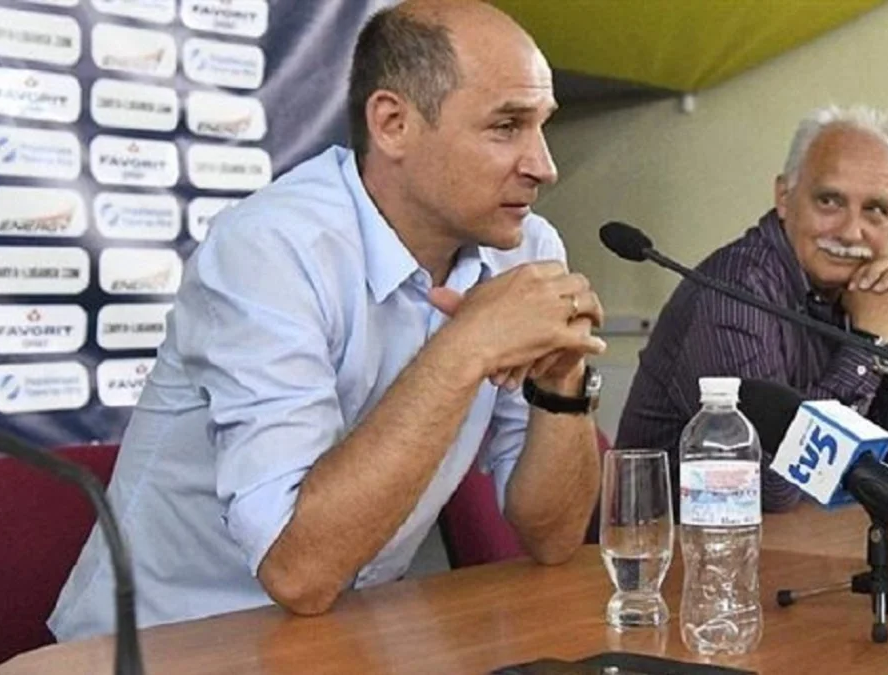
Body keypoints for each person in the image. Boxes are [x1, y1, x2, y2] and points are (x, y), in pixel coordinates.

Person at [50, 0, 605, 641]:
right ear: (393, 124)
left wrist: (563, 385)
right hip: (163, 642)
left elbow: (552, 538)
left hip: (341, 636)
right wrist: (467, 346)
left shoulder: (527, 249)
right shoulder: (270, 248)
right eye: (506, 126)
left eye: (541, 126)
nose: (544, 166)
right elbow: (299, 573)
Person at [616, 105, 888, 513]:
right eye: (829, 201)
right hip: (666, 544)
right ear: (784, 197)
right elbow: (770, 487)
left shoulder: (866, 296)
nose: (852, 232)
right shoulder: (735, 292)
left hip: (798, 542)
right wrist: (869, 347)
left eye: (875, 210)